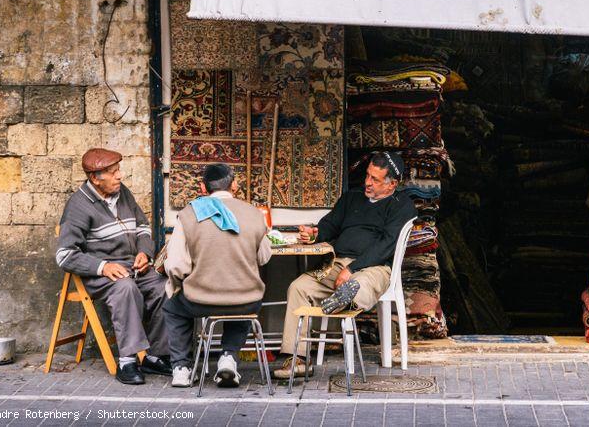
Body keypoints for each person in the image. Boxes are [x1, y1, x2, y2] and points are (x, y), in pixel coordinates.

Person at [272, 151, 416, 379]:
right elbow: (331, 225)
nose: (367, 182)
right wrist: (314, 234)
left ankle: (345, 297)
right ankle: (297, 358)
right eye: (368, 176)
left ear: (392, 185)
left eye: (375, 180)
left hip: (374, 268)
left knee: (360, 284)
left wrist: (353, 269)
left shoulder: (402, 206)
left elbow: (385, 246)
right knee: (299, 287)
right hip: (336, 265)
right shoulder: (352, 197)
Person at [55, 148, 171, 385]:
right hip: (103, 273)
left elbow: (143, 228)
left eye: (118, 170)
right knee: (125, 288)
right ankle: (127, 361)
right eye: (112, 172)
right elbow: (64, 255)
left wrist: (144, 251)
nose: (119, 176)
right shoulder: (78, 205)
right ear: (95, 177)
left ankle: (155, 355)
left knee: (165, 287)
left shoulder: (123, 193)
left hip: (133, 266)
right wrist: (103, 266)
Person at [162, 164, 272, 388]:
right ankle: (229, 357)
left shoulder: (188, 215)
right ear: (234, 185)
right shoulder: (254, 213)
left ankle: (181, 368)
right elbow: (264, 257)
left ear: (203, 188)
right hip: (246, 301)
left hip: (200, 302)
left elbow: (175, 265)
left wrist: (177, 286)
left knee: (172, 306)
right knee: (242, 299)